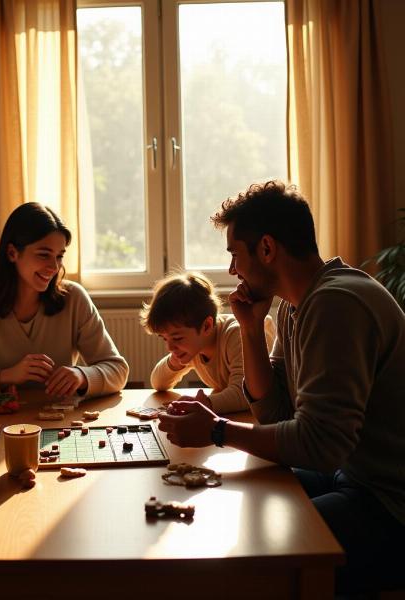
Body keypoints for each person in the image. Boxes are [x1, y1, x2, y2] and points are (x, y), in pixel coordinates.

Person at [159, 180, 405, 595]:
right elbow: (274, 412)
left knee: (254, 558)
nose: (234, 270)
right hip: (353, 476)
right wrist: (251, 328)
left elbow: (319, 444)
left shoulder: (337, 303)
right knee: (233, 495)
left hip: (389, 504)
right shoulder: (297, 305)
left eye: (236, 255)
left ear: (267, 249)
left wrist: (217, 430)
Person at [0, 202, 128, 411]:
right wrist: (7, 376)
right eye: (43, 254)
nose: (54, 267)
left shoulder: (74, 298)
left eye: (59, 256)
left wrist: (81, 376)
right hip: (2, 423)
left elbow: (118, 370)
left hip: (62, 424)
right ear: (12, 253)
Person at [140, 271, 274, 413]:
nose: (170, 347)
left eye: (177, 338)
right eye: (165, 338)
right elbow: (158, 383)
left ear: (207, 326)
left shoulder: (237, 335)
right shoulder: (195, 345)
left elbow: (245, 393)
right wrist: (175, 362)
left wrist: (204, 403)